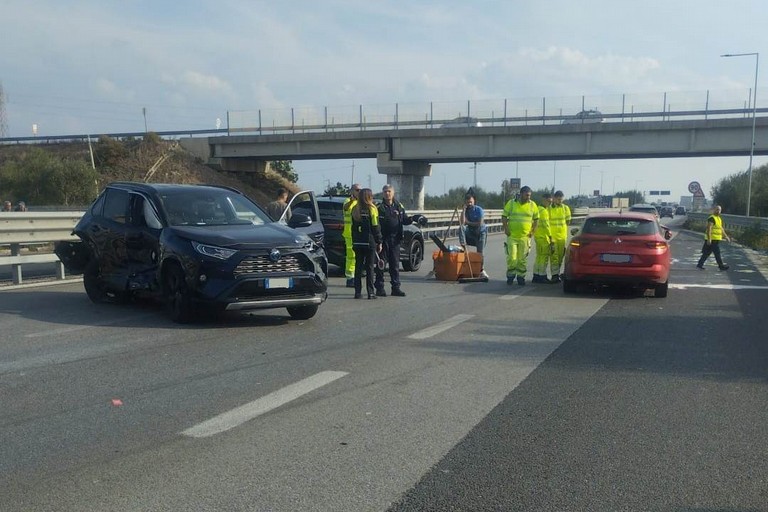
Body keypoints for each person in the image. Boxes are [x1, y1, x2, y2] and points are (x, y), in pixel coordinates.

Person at [374, 184, 413, 297]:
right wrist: (378, 241)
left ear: (393, 193)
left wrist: (413, 219)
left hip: (395, 239)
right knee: (381, 265)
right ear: (383, 193)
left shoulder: (398, 206)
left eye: (389, 191)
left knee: (395, 266)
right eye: (385, 191)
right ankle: (380, 288)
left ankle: (396, 288)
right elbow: (376, 225)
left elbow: (404, 220)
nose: (387, 193)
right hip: (383, 240)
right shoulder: (379, 208)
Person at [501, 185, 538, 286]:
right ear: (521, 194)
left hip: (525, 237)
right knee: (512, 258)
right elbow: (504, 216)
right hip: (512, 236)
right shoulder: (512, 203)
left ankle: (521, 277)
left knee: (522, 259)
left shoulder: (532, 205)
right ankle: (510, 276)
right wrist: (506, 228)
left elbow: (536, 219)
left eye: (530, 195)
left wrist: (533, 231)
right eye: (526, 195)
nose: (528, 197)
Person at [351, 188, 382, 299]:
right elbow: (375, 226)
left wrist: (354, 240)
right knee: (370, 268)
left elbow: (352, 227)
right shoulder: (372, 209)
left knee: (358, 267)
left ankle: (357, 292)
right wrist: (379, 241)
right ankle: (370, 292)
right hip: (369, 241)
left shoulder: (355, 209)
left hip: (357, 241)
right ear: (369, 196)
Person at [458, 191, 489, 279]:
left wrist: (469, 222)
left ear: (474, 201)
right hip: (471, 232)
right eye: (468, 202)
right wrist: (463, 211)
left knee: (480, 253)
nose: (469, 204)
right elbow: (462, 223)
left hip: (480, 233)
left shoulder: (479, 210)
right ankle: (463, 246)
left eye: (471, 202)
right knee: (461, 228)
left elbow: (479, 223)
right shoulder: (466, 210)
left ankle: (481, 270)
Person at [696, 204, 730, 271]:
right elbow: (709, 229)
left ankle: (700, 264)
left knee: (707, 253)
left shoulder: (719, 219)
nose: (718, 211)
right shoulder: (712, 218)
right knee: (717, 253)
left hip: (716, 239)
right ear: (714, 210)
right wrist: (709, 239)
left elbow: (721, 229)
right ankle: (721, 266)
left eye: (719, 210)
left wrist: (726, 236)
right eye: (717, 209)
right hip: (712, 239)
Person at [548, 190, 572, 283]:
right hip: (553, 237)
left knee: (561, 256)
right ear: (554, 199)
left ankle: (557, 273)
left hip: (562, 237)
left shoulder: (565, 208)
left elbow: (568, 221)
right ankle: (554, 275)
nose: (560, 201)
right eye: (558, 199)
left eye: (561, 199)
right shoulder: (549, 208)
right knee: (554, 256)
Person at [532, 192, 554, 283]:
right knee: (544, 258)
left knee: (539, 257)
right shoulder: (543, 211)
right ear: (544, 200)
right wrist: (551, 237)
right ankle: (542, 276)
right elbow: (546, 226)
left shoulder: (537, 209)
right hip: (543, 237)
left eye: (551, 202)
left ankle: (536, 275)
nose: (550, 204)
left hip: (538, 236)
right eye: (549, 202)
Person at [342, 184, 361, 288]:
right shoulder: (347, 201)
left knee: (358, 257)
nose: (359, 191)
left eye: (360, 190)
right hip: (349, 234)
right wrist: (351, 201)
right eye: (357, 190)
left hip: (359, 233)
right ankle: (350, 278)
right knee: (351, 257)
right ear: (352, 191)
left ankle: (356, 276)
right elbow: (346, 208)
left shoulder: (361, 202)